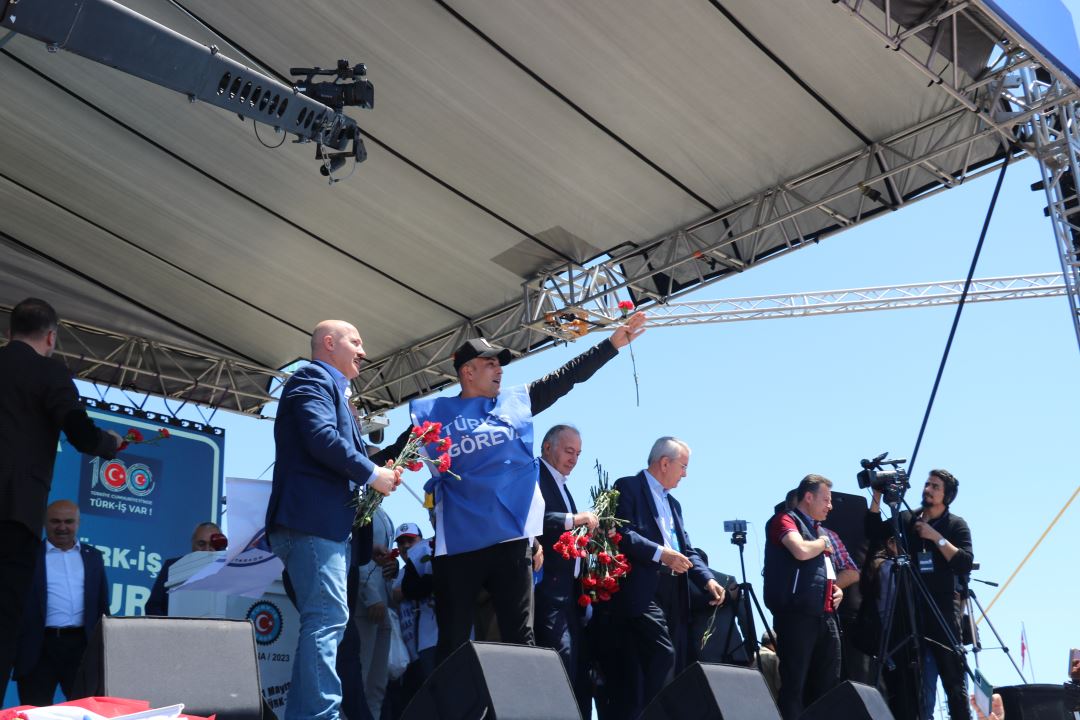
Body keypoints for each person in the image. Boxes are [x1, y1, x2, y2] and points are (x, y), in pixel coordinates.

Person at [390, 313, 645, 663]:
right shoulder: (433, 415)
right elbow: (392, 457)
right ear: (467, 372)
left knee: (520, 637)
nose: (500, 369)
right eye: (490, 363)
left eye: (501, 364)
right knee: (453, 640)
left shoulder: (516, 403)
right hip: (459, 544)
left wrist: (611, 345)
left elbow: (566, 377)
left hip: (510, 540)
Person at [266, 320, 402, 720]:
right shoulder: (311, 378)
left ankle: (307, 715)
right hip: (312, 524)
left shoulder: (335, 392)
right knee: (326, 620)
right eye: (355, 342)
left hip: (324, 527)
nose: (363, 351)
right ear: (329, 343)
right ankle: (321, 715)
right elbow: (320, 437)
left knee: (325, 621)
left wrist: (378, 475)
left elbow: (334, 449)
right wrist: (372, 474)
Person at [0, 298, 122, 701]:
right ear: (51, 337)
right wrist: (109, 444)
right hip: (14, 514)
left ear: (9, 333)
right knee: (4, 621)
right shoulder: (48, 372)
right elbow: (79, 431)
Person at [595, 437, 725, 719]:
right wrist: (661, 554)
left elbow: (686, 549)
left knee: (672, 662)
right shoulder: (628, 487)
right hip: (642, 589)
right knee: (661, 653)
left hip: (674, 591)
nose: (685, 474)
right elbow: (621, 533)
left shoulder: (674, 504)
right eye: (683, 466)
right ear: (665, 463)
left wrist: (707, 580)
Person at [866, 469, 974, 720]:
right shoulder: (907, 519)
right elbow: (872, 532)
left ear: (947, 496)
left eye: (935, 486)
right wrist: (877, 496)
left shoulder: (956, 524)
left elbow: (964, 563)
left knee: (953, 682)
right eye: (927, 484)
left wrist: (935, 537)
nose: (928, 489)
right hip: (911, 610)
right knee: (916, 686)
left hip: (942, 610)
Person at [763, 474, 844, 720]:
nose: (830, 506)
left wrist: (836, 589)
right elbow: (799, 550)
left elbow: (824, 571)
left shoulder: (819, 530)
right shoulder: (785, 519)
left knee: (828, 685)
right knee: (794, 685)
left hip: (826, 617)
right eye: (826, 499)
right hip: (797, 616)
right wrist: (822, 543)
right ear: (808, 497)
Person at [13, 500, 110, 706]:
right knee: (35, 710)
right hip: (38, 648)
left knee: (84, 710)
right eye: (55, 521)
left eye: (68, 521)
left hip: (81, 647)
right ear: (45, 523)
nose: (62, 527)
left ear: (78, 523)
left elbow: (102, 605)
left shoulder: (93, 557)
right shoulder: (28, 556)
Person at [534, 424, 596, 719]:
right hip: (547, 588)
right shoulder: (534, 473)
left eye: (579, 454)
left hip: (570, 594)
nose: (574, 459)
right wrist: (574, 519)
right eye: (569, 451)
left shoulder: (562, 484)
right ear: (547, 447)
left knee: (576, 668)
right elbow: (534, 518)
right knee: (559, 658)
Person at [392, 522, 438, 713]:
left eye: (410, 540)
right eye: (401, 542)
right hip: (408, 655)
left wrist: (406, 591)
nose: (405, 546)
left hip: (432, 641)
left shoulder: (431, 561)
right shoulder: (397, 575)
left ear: (421, 540)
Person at [355, 507, 395, 720]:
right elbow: (354, 551)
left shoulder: (382, 512)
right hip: (365, 606)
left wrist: (392, 568)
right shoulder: (360, 503)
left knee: (377, 686)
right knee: (358, 681)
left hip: (383, 603)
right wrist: (370, 595)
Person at [145, 521, 222, 616]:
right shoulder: (172, 566)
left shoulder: (230, 570)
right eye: (201, 544)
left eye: (213, 545)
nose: (207, 549)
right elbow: (152, 607)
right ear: (192, 544)